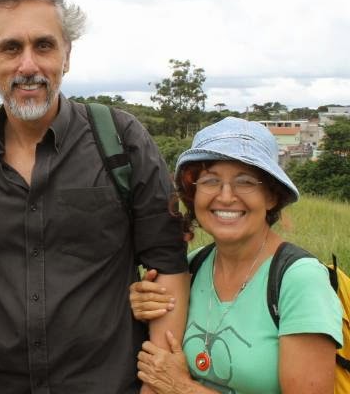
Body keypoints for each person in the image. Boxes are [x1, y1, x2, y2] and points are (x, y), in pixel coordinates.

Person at [0, 0, 189, 393]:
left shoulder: (120, 140)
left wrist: (157, 384)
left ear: (67, 55)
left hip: (109, 383)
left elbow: (167, 262)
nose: (28, 65)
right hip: (2, 382)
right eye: (10, 48)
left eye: (44, 45)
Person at [130, 117, 342, 393]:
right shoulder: (194, 266)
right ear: (194, 194)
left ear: (271, 196)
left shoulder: (300, 280)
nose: (226, 196)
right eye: (210, 181)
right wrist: (142, 306)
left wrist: (183, 388)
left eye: (245, 182)